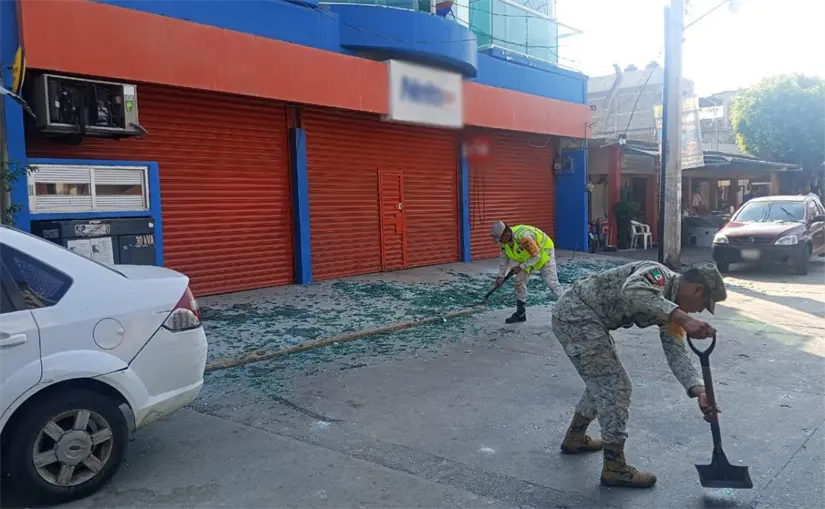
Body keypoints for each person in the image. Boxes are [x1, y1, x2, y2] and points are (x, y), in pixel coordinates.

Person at [551, 261, 726, 489]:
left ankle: (575, 438)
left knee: (602, 382)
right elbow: (633, 290)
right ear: (697, 290)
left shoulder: (670, 310)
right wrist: (684, 318)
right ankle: (615, 468)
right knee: (614, 387)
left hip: (589, 319)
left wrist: (699, 389)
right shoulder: (658, 275)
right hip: (575, 315)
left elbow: (675, 351)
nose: (699, 311)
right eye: (704, 305)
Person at [490, 221, 563, 324]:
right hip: (526, 255)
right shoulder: (504, 243)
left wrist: (521, 267)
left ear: (506, 234)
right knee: (519, 282)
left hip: (543, 251)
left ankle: (568, 310)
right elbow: (503, 259)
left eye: (500, 239)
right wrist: (500, 276)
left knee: (552, 283)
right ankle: (520, 314)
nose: (500, 242)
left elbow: (537, 256)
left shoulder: (524, 237)